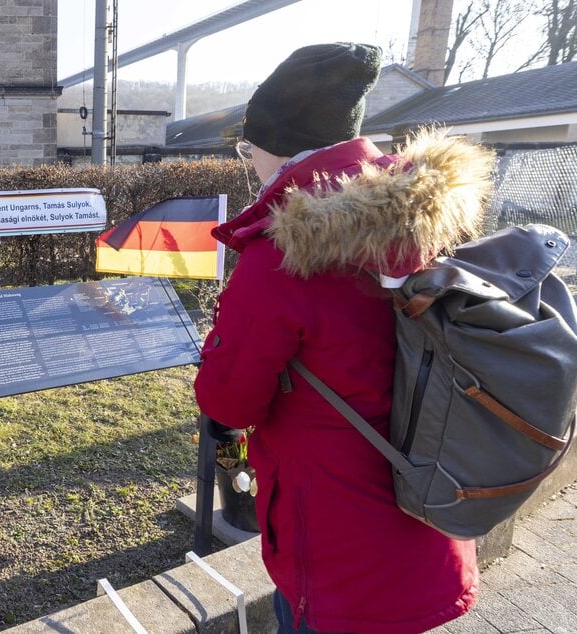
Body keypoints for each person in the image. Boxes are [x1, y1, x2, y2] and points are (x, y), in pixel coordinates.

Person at [193, 42, 495, 634]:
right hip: (434, 509)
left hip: (335, 551)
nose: (250, 161)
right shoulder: (429, 219)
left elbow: (228, 401)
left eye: (248, 149)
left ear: (276, 148)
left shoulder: (283, 256)